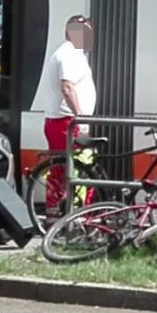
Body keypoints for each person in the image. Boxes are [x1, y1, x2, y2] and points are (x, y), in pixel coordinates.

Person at [41, 15, 97, 218]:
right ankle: (78, 217)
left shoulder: (68, 53)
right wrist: (80, 117)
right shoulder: (69, 54)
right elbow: (67, 86)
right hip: (67, 122)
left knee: (63, 170)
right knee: (80, 169)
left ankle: (57, 215)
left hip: (61, 121)